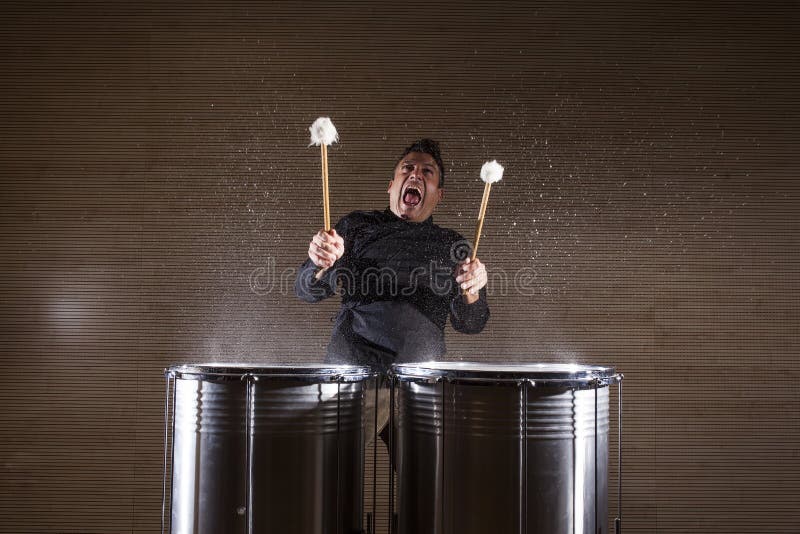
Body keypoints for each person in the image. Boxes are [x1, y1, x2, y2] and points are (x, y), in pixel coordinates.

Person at [294, 139, 490, 371]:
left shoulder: (453, 244)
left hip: (420, 377)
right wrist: (320, 263)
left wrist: (472, 290)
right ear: (390, 185)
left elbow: (471, 323)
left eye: (427, 171)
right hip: (350, 369)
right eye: (407, 168)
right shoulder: (356, 226)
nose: (415, 175)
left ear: (439, 195)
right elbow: (306, 291)